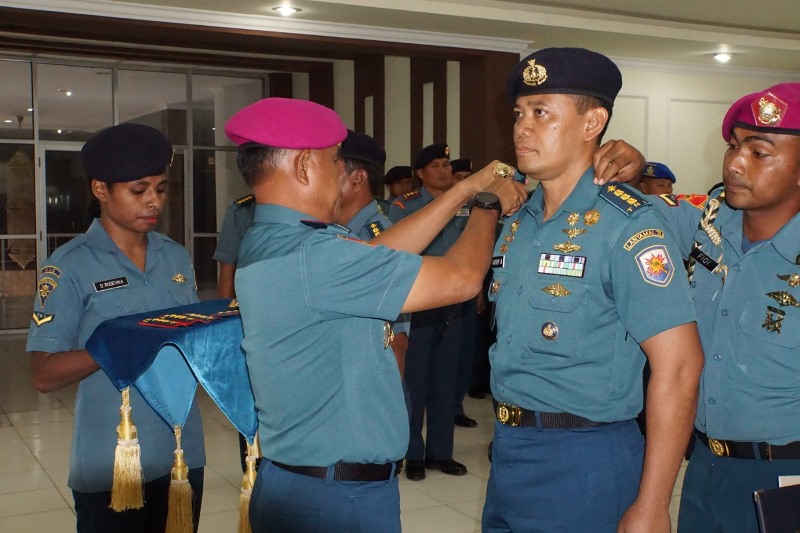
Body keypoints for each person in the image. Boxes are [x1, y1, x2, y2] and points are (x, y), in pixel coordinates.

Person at [224, 97, 528, 533]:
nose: (343, 174)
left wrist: (461, 190)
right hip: (337, 499)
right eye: (335, 162)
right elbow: (461, 279)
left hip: (300, 483)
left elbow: (377, 253)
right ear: (306, 166)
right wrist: (486, 204)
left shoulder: (276, 239)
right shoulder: (316, 257)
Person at [482, 47, 704, 533]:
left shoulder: (628, 224)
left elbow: (681, 365)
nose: (522, 127)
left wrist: (652, 504)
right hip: (509, 448)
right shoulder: (518, 218)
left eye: (542, 113)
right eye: (519, 113)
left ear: (592, 123)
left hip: (585, 457)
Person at [26, 123, 206, 533]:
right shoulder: (70, 265)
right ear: (101, 190)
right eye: (138, 190)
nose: (153, 202)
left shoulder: (175, 257)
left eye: (160, 189)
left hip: (181, 453)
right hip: (113, 459)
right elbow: (42, 375)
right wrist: (109, 346)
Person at [647, 83, 800, 533]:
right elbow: (627, 213)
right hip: (705, 466)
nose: (734, 163)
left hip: (784, 476)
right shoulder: (706, 226)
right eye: (734, 147)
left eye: (760, 152)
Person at [389, 143, 475, 480]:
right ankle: (414, 454)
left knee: (446, 378)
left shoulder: (466, 205)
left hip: (454, 302)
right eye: (436, 165)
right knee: (416, 379)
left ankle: (441, 452)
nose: (443, 170)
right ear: (421, 173)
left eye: (445, 164)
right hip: (418, 302)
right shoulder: (403, 207)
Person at [337, 129, 410, 376]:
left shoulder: (377, 239)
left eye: (330, 169)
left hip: (373, 391)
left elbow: (396, 342)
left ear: (357, 179)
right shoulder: (337, 232)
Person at [213, 193, 258, 472]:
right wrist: (225, 324)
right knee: (250, 397)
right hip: (251, 319)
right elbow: (227, 269)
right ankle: (252, 469)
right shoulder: (242, 211)